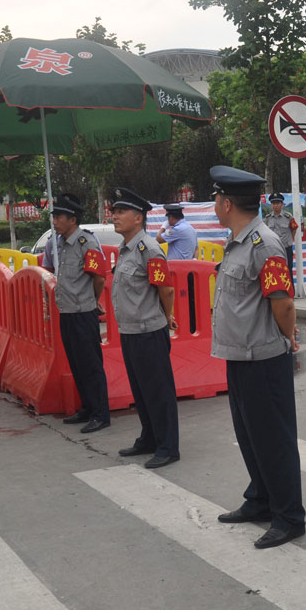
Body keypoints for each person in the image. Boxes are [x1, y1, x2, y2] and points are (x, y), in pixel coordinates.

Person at [209, 165, 305, 549]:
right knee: (250, 436)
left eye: (217, 198)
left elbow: (282, 302)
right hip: (239, 355)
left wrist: (288, 337)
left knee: (273, 440)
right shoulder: (237, 241)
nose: (216, 204)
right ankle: (261, 499)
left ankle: (289, 516)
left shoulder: (263, 244)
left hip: (263, 357)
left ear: (226, 204)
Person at [109, 187, 181, 469]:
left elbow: (165, 289)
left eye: (121, 212)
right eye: (114, 212)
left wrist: (167, 316)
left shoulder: (148, 249)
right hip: (130, 331)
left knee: (158, 391)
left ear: (138, 218)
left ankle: (168, 446)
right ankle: (149, 437)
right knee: (141, 391)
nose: (115, 216)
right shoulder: (125, 248)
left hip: (149, 332)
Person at [41, 193, 111, 435]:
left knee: (90, 364)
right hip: (67, 311)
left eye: (59, 217)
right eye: (54, 217)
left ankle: (101, 414)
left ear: (72, 219)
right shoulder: (59, 242)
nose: (55, 221)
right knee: (76, 362)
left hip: (83, 311)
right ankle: (87, 407)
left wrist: (91, 300)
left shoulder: (86, 243)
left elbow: (99, 278)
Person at [263, 191, 299, 274]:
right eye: (273, 203)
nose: (276, 205)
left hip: (286, 249)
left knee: (287, 271)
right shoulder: (267, 219)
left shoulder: (288, 217)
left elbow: (294, 228)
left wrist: (289, 239)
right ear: (271, 205)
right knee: (275, 272)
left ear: (282, 204)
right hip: (273, 250)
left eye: (277, 203)